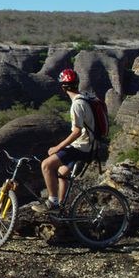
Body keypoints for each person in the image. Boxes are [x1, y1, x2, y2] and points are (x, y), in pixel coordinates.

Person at [31, 68, 95, 213]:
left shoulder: (77, 104)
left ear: (63, 87)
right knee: (62, 172)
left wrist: (58, 147)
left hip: (81, 147)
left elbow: (77, 131)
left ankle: (52, 203)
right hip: (89, 146)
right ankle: (61, 207)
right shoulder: (85, 98)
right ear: (77, 84)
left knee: (46, 165)